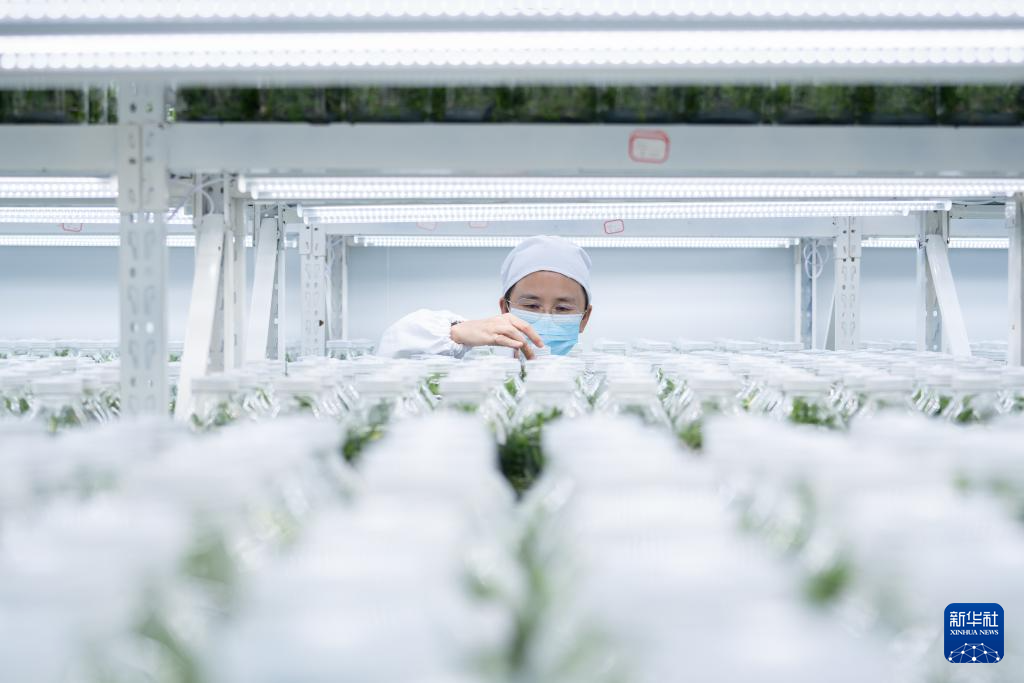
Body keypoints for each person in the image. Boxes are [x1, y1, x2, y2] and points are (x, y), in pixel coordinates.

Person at [376, 235, 593, 359]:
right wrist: (455, 333)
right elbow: (392, 348)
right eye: (531, 305)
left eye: (563, 309)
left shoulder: (597, 379)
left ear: (585, 318)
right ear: (505, 309)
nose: (546, 318)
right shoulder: (478, 365)